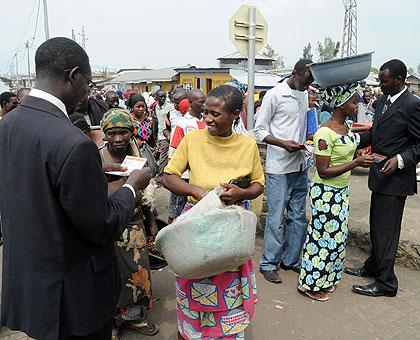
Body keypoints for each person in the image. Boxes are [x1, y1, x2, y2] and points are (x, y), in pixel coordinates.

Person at [0, 37, 152, 340]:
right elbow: (102, 226)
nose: (88, 92)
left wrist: (91, 175)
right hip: (73, 296)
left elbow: (37, 185)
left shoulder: (8, 125)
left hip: (31, 285)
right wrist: (132, 187)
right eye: (88, 82)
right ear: (73, 76)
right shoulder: (73, 142)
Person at [163, 85, 264, 339]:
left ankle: (226, 333)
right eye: (205, 112)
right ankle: (191, 333)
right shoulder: (193, 139)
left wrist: (240, 194)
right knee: (193, 281)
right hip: (197, 224)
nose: (207, 118)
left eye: (215, 114)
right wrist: (198, 192)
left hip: (231, 227)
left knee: (227, 287)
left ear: (235, 115)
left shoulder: (247, 145)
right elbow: (168, 176)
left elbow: (258, 185)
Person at [346, 59, 420, 297]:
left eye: (384, 80)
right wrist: (353, 141)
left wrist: (398, 160)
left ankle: (387, 283)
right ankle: (374, 266)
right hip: (379, 177)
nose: (380, 84)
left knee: (386, 232)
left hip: (396, 179)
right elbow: (375, 133)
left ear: (399, 80)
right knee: (378, 227)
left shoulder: (412, 105)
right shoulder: (382, 102)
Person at [297, 83, 373, 301]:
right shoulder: (324, 133)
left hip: (341, 191)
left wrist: (356, 152)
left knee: (337, 238)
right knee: (321, 238)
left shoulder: (347, 127)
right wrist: (356, 162)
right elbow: (324, 170)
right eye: (352, 101)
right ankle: (310, 283)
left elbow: (348, 147)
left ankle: (326, 279)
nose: (356, 105)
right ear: (340, 104)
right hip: (326, 193)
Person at [99, 109, 159, 338]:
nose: (117, 138)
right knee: (110, 274)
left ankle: (133, 317)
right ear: (105, 134)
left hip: (133, 222)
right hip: (107, 224)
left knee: (136, 272)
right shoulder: (96, 157)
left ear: (130, 132)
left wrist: (151, 221)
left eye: (123, 132)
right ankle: (111, 322)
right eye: (112, 133)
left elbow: (145, 192)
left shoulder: (137, 153)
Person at [254, 59, 314, 284]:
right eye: (305, 81)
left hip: (300, 165)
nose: (307, 87)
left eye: (310, 84)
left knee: (298, 216)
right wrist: (282, 143)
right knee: (276, 217)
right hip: (279, 167)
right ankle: (269, 263)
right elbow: (258, 131)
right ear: (295, 73)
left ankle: (290, 260)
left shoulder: (304, 93)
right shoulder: (274, 95)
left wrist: (304, 142)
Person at [167, 98, 206, 223]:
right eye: (201, 101)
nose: (203, 104)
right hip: (183, 175)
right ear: (191, 103)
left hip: (199, 173)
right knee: (177, 208)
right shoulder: (182, 123)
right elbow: (175, 147)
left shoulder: (205, 121)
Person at [154, 90, 174, 183]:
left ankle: (160, 176)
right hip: (160, 135)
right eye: (161, 97)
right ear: (156, 98)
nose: (163, 98)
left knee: (164, 156)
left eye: (164, 96)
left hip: (167, 135)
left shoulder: (170, 107)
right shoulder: (155, 107)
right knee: (163, 156)